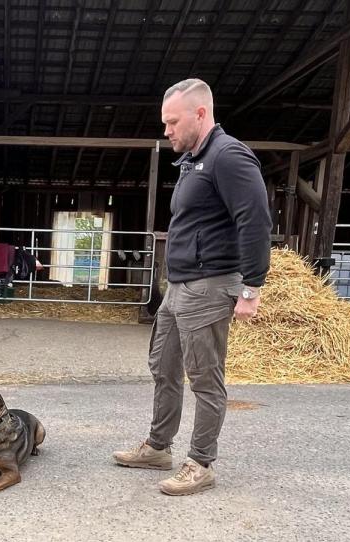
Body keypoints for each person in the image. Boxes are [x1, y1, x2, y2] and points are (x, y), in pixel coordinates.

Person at [112, 79, 271, 495]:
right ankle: (158, 447)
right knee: (163, 366)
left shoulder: (229, 157)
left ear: (200, 114)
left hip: (211, 285)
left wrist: (251, 287)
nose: (166, 131)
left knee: (204, 377)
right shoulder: (192, 160)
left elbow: (254, 221)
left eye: (172, 121)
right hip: (179, 286)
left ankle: (201, 461)